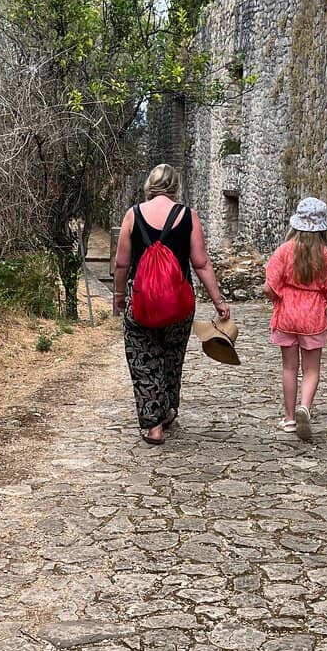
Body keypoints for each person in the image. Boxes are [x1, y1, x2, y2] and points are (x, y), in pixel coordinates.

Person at [114, 163, 231, 445]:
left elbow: (121, 262)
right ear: (175, 187)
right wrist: (218, 301)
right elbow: (201, 263)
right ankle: (166, 410)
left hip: (141, 302)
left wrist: (119, 295)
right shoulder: (188, 216)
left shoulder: (133, 215)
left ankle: (153, 425)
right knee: (171, 357)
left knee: (143, 359)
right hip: (179, 304)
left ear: (149, 186)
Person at [263, 197, 327, 439]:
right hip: (313, 317)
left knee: (289, 367)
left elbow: (269, 286)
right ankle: (305, 408)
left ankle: (289, 419)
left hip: (287, 314)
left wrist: (278, 300)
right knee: (311, 370)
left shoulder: (285, 250)